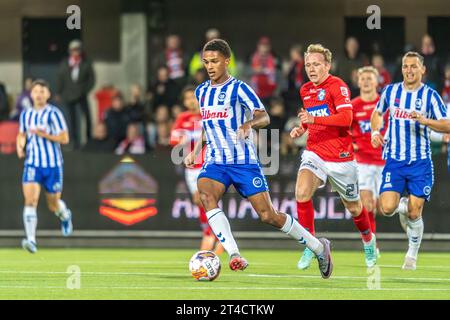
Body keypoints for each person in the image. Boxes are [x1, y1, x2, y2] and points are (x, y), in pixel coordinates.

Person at [184, 39, 333, 278]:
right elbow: (208, 124)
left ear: (226, 61)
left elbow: (263, 117)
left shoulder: (239, 88)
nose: (209, 66)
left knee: (269, 215)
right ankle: (234, 254)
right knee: (206, 194)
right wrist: (196, 149)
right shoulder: (201, 91)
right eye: (206, 62)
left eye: (214, 61)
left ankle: (318, 247)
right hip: (216, 160)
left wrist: (248, 124)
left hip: (243, 161)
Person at [290, 44, 377, 270]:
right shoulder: (305, 89)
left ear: (327, 65)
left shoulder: (337, 86)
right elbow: (313, 117)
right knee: (301, 192)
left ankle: (368, 240)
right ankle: (311, 245)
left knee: (355, 208)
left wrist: (313, 121)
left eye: (316, 64)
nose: (311, 68)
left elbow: (345, 118)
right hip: (315, 151)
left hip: (340, 157)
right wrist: (302, 129)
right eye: (308, 65)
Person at [370, 51, 450, 270]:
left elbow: (447, 125)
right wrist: (375, 132)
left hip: (420, 163)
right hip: (394, 161)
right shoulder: (391, 91)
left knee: (415, 213)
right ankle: (401, 205)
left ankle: (412, 254)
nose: (409, 70)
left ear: (422, 69)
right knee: (386, 208)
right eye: (406, 66)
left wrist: (424, 120)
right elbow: (377, 113)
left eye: (414, 66)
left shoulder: (430, 96)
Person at [16, 79, 73, 254]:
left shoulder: (54, 114)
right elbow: (21, 134)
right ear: (31, 94)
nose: (39, 94)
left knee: (53, 205)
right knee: (30, 200)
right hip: (33, 163)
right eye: (36, 91)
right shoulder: (26, 115)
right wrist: (20, 146)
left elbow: (64, 138)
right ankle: (31, 240)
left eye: (42, 91)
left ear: (48, 94)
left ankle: (64, 214)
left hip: (53, 165)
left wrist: (44, 134)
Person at [170, 85, 224, 255]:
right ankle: (216, 233)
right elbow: (173, 138)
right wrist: (181, 140)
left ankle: (210, 235)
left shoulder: (208, 114)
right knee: (200, 201)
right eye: (187, 99)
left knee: (201, 197)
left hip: (209, 163)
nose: (190, 101)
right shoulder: (183, 118)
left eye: (192, 97)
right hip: (191, 166)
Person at [350, 66, 388, 256]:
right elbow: (343, 130)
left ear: (376, 82)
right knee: (367, 205)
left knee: (385, 207)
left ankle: (408, 207)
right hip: (363, 162)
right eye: (362, 78)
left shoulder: (384, 104)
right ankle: (372, 246)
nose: (365, 81)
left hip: (384, 161)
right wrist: (351, 143)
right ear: (358, 82)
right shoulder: (353, 105)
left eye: (369, 78)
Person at [55, 39, 95, 149]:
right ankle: (74, 142)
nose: (76, 52)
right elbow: (60, 78)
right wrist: (58, 92)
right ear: (70, 51)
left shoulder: (86, 63)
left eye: (78, 49)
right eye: (73, 50)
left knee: (87, 117)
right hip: (69, 95)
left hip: (81, 94)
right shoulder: (65, 63)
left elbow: (91, 79)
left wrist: (85, 90)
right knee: (72, 119)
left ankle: (89, 140)